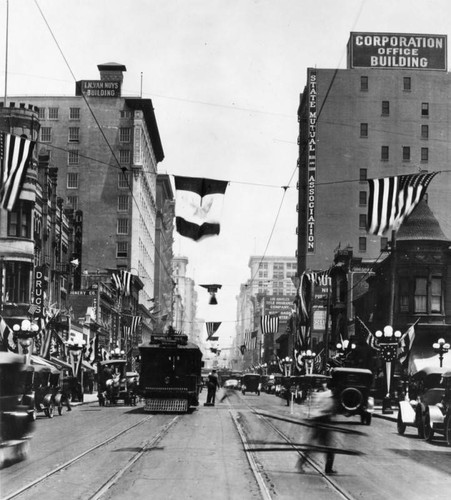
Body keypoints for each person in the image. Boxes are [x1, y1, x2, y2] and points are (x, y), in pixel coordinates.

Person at [299, 380, 337, 474]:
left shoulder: (319, 395)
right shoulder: (329, 395)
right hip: (323, 420)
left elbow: (311, 406)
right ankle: (328, 469)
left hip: (317, 420)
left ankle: (300, 463)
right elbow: (329, 408)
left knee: (313, 446)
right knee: (330, 448)